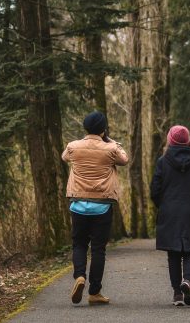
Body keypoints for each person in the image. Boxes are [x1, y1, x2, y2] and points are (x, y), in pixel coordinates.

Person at [62, 111, 129, 306]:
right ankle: (95, 291)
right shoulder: (110, 148)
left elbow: (65, 156)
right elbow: (124, 159)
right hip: (102, 205)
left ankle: (79, 276)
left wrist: (85, 141)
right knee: (98, 248)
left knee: (79, 244)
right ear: (104, 128)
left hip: (78, 205)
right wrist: (113, 142)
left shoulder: (73, 147)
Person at [150, 125, 190, 306]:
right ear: (187, 140)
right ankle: (187, 281)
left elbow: (155, 189)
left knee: (173, 254)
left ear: (170, 140)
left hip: (169, 211)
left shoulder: (162, 161)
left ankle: (177, 294)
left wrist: (163, 205)